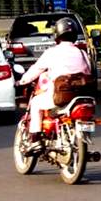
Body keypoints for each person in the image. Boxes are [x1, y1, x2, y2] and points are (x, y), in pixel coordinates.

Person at [18, 18, 91, 151]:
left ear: (57, 35)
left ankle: (35, 140)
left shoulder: (52, 52)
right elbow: (88, 71)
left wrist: (21, 81)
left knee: (35, 103)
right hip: (81, 96)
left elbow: (36, 69)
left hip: (60, 96)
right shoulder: (82, 53)